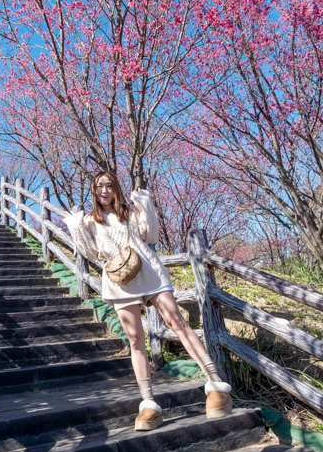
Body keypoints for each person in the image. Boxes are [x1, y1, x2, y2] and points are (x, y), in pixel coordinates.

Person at [65, 170, 232, 432]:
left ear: (116, 188)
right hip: (120, 281)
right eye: (100, 187)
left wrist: (146, 205)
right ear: (94, 191)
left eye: (109, 185)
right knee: (135, 339)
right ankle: (149, 404)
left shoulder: (130, 211)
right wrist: (76, 227)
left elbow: (151, 236)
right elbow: (91, 253)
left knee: (176, 321)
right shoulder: (89, 221)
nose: (105, 191)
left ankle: (216, 385)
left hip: (150, 272)